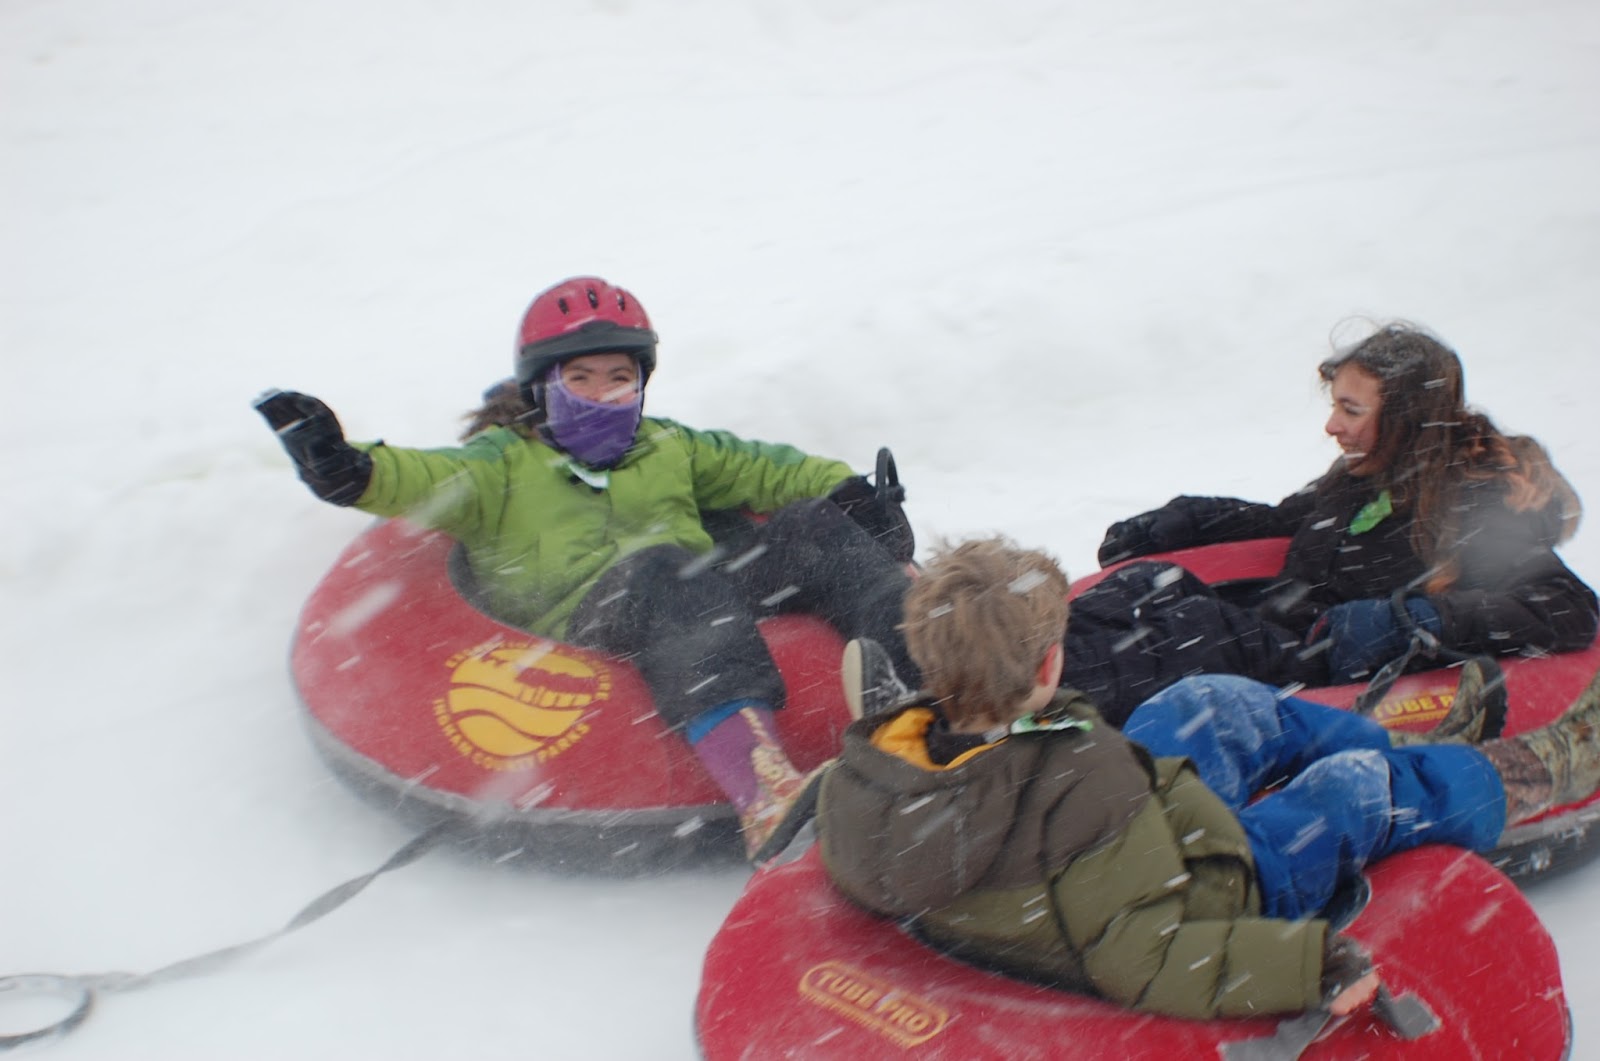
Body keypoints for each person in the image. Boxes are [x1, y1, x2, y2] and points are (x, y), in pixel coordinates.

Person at [257, 275, 918, 862]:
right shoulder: (500, 464)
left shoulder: (668, 445)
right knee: (670, 572)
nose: (603, 396)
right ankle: (764, 789)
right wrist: (348, 469)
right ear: (542, 387)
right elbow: (417, 475)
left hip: (700, 595)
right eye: (581, 379)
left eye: (619, 378)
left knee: (808, 529)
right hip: (589, 613)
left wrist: (847, 493)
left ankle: (923, 698)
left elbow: (766, 467)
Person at [817, 536, 1600, 1021]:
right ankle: (1538, 770)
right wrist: (1307, 965)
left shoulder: (881, 761)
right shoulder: (1082, 780)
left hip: (1129, 836)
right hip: (1215, 878)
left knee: (1199, 702)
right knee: (1357, 789)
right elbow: (1144, 955)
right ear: (1052, 664)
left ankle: (1409, 743)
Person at [1066, 322, 1596, 724]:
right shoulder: (1365, 475)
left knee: (1193, 634)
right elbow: (1283, 521)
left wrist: (1416, 620)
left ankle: (1037, 709)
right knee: (1146, 588)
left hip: (1335, 666)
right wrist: (1186, 518)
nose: (1332, 425)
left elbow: (1568, 606)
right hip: (1283, 627)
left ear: (1407, 418)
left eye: (1352, 410)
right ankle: (1010, 670)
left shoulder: (1474, 500)